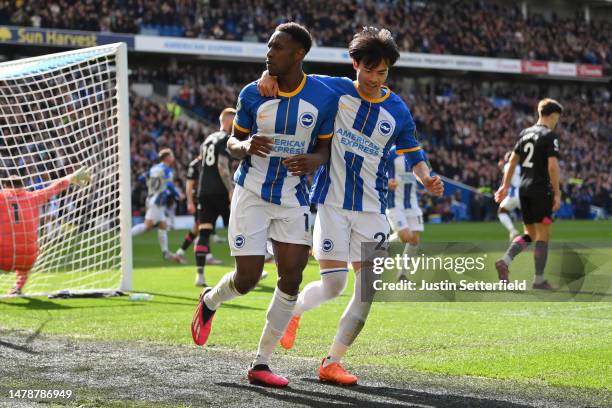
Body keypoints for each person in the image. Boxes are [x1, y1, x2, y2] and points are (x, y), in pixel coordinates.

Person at [259, 27, 444, 385]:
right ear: (355, 64)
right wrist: (269, 74)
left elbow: (414, 152)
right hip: (331, 203)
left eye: (383, 72)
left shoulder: (397, 109)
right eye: (369, 70)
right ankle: (295, 312)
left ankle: (332, 362)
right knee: (334, 286)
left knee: (368, 290)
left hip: (374, 210)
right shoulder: (335, 89)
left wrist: (426, 177)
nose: (375, 78)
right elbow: (293, 76)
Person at [191, 23, 338, 387]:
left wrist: (315, 161)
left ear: (298, 54)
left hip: (293, 197)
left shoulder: (323, 95)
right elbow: (232, 145)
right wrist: (247, 145)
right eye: (268, 47)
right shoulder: (252, 93)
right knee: (247, 278)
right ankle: (210, 300)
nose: (268, 53)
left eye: (276, 48)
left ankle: (261, 363)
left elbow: (324, 146)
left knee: (292, 276)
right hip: (251, 194)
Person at [494, 98, 564, 290]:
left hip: (524, 191)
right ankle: (539, 280)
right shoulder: (550, 136)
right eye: (557, 118)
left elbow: (513, 161)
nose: (557, 122)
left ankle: (505, 261)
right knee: (543, 235)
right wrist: (557, 193)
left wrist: (504, 187)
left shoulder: (524, 134)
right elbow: (552, 166)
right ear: (552, 115)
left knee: (530, 233)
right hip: (541, 190)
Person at [0, 167, 90, 295]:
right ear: (24, 186)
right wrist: (71, 178)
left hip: (3, 257)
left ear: (5, 186)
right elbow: (55, 187)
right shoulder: (33, 196)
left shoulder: (1, 198)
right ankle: (18, 287)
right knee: (30, 247)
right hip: (27, 258)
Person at [131, 148, 183, 261]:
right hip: (158, 200)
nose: (173, 157)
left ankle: (165, 252)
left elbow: (141, 178)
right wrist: (178, 195)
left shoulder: (154, 168)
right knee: (147, 225)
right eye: (171, 155)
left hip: (151, 198)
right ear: (167, 158)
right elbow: (169, 185)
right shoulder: (167, 170)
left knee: (163, 225)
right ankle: (126, 237)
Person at [386, 146, 424, 280]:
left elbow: (423, 171)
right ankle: (382, 244)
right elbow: (375, 171)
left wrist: (427, 180)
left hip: (412, 203)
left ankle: (402, 275)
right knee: (406, 236)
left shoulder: (419, 152)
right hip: (394, 203)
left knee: (414, 240)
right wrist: (386, 182)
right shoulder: (390, 152)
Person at [497, 151, 521, 240]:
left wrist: (501, 166)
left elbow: (507, 169)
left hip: (514, 195)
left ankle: (513, 230)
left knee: (501, 212)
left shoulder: (508, 166)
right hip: (524, 195)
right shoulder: (522, 167)